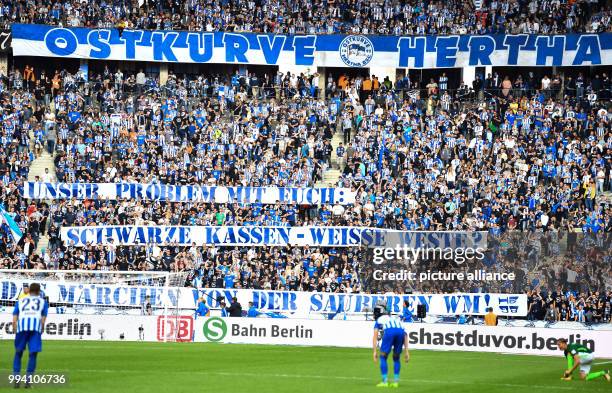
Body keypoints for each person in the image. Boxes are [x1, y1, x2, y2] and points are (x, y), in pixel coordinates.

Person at [12, 283, 48, 388]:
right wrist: (42, 328)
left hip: (21, 328)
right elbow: (43, 318)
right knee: (33, 354)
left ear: (29, 290)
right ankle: (28, 382)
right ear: (38, 291)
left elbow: (15, 316)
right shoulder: (43, 302)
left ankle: (16, 381)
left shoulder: (20, 301)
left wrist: (15, 328)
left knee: (18, 353)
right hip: (35, 329)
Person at [372, 304, 409, 388]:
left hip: (390, 331)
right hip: (400, 332)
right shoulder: (396, 318)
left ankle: (385, 382)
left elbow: (375, 336)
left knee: (383, 357)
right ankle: (395, 382)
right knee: (396, 357)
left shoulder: (379, 320)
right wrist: (407, 352)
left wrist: (374, 351)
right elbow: (405, 335)